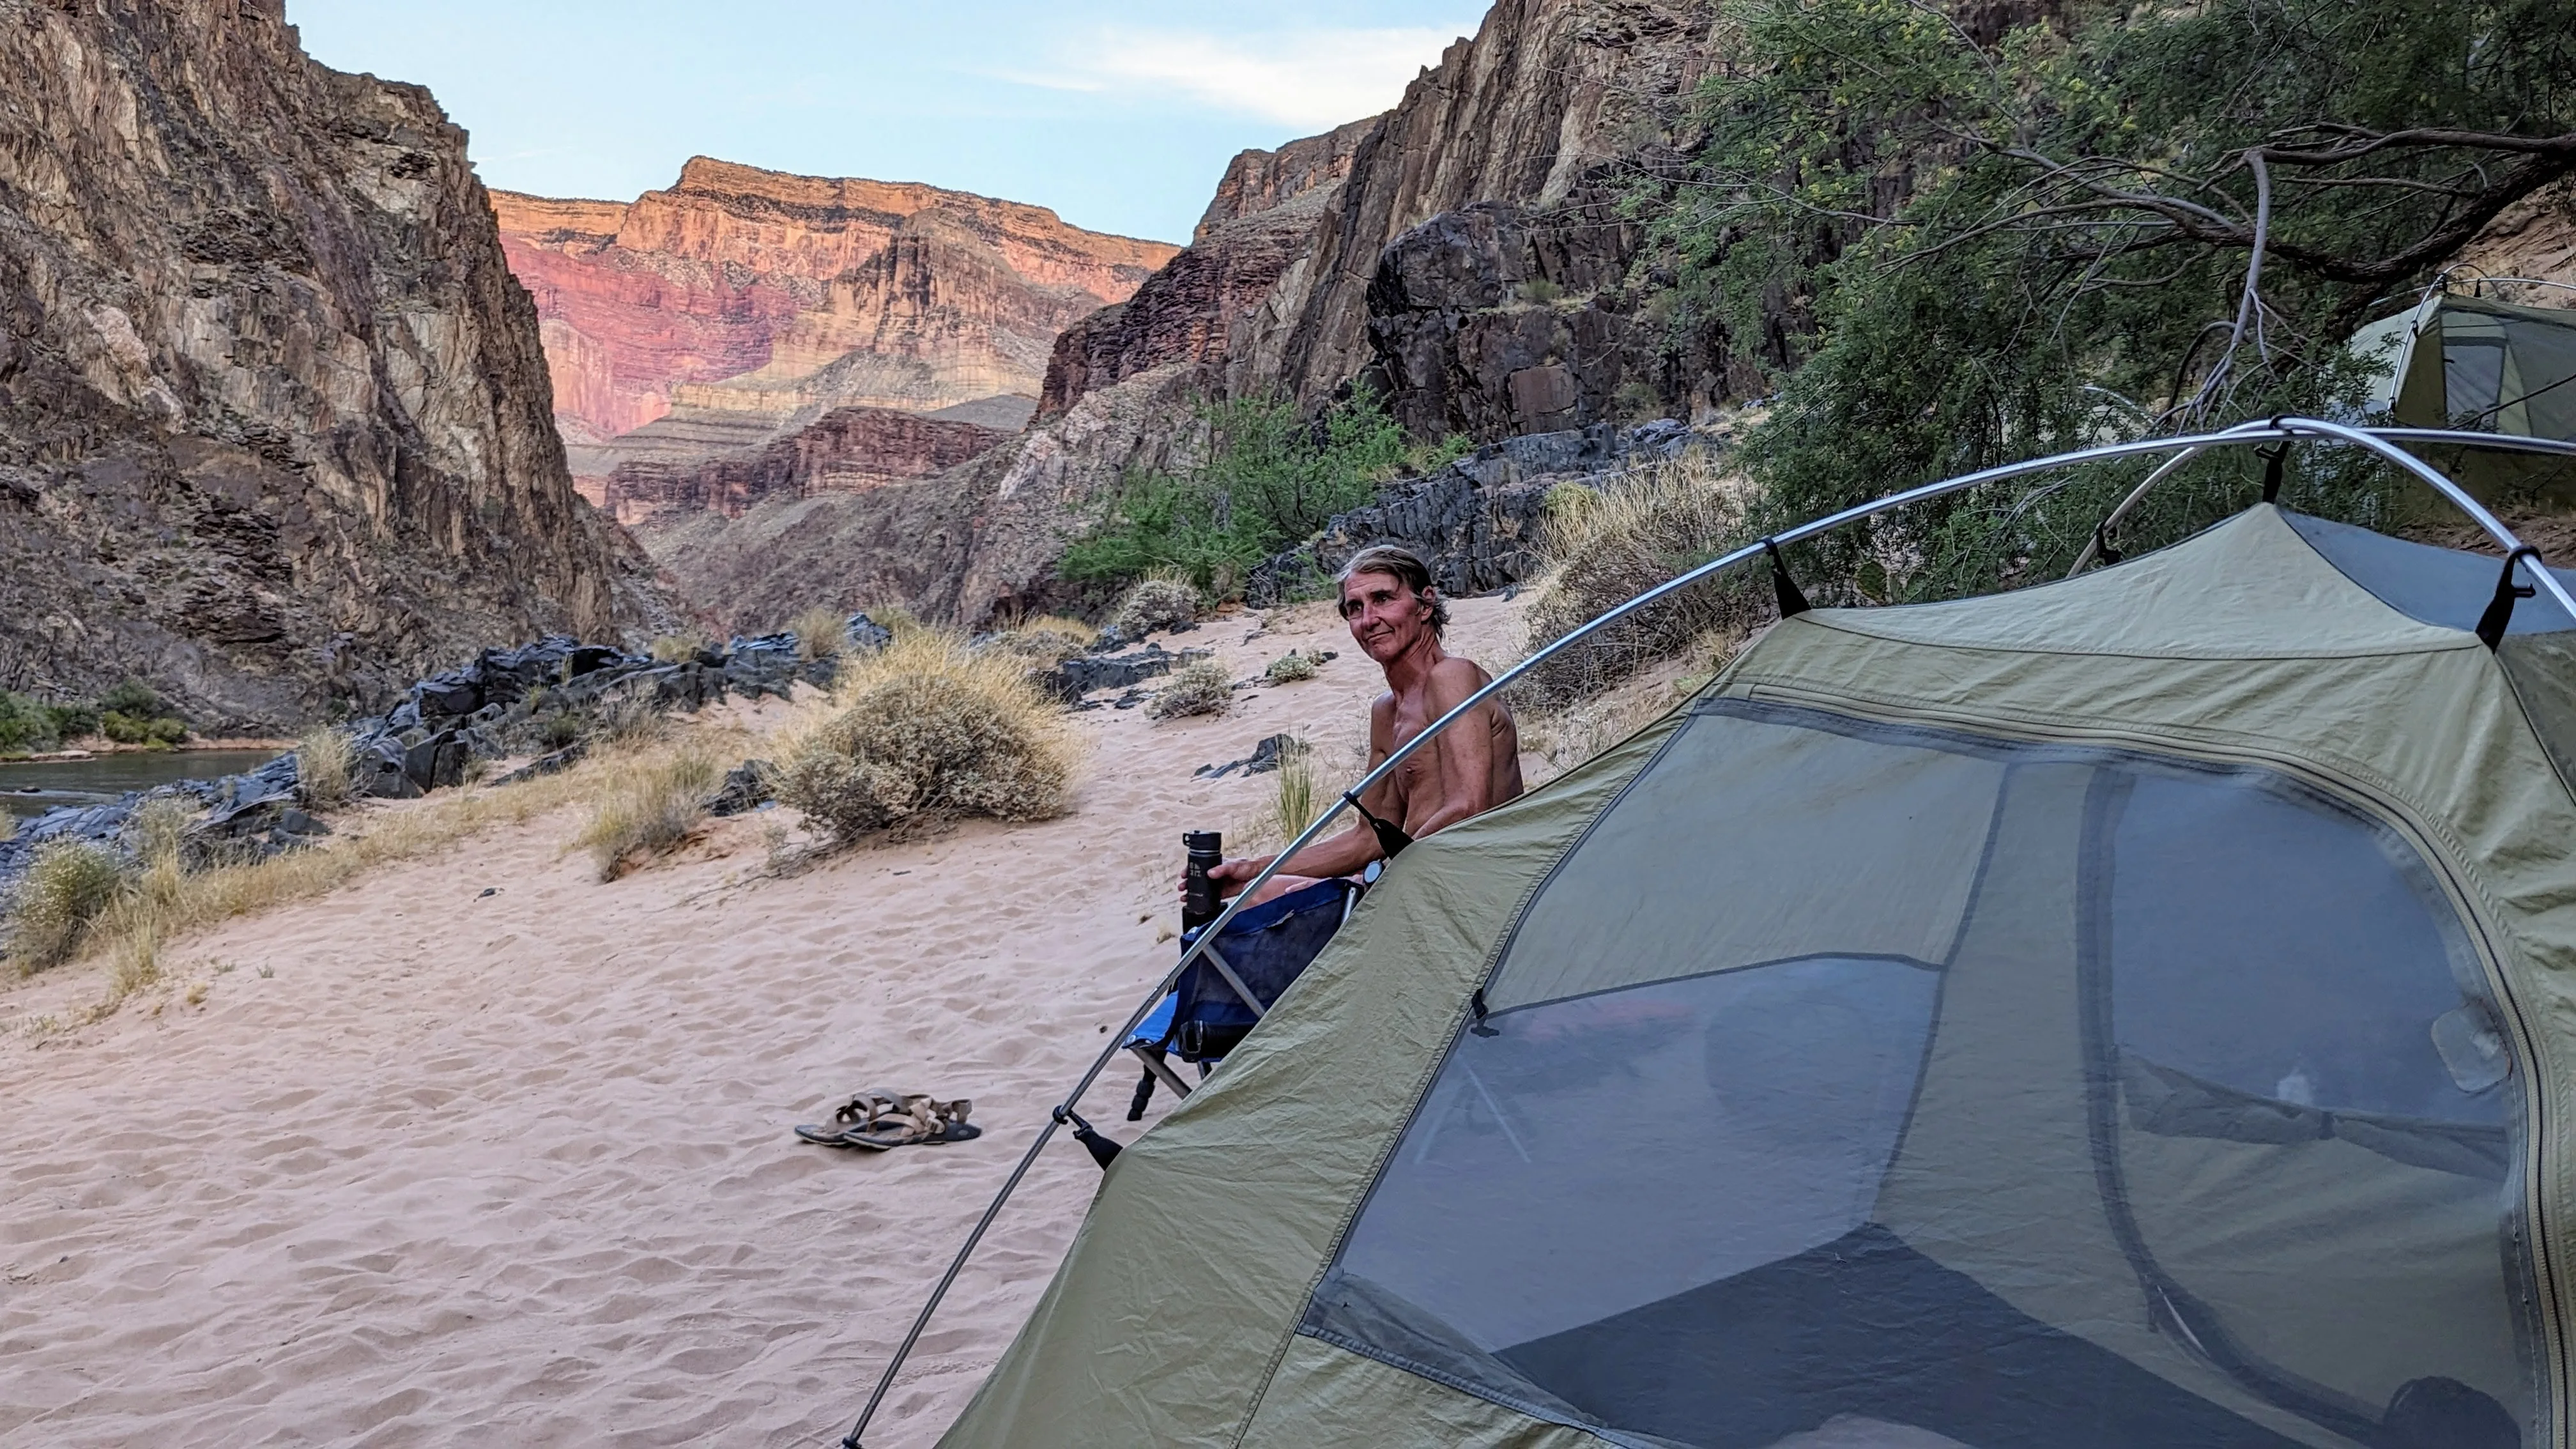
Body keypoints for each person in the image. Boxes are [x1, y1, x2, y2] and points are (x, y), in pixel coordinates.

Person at [1205, 544, 1523, 908]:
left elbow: (1469, 807)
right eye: (1355, 608)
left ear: (1426, 604)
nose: (1368, 619)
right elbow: (1367, 839)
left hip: (1473, 883)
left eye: (1383, 598)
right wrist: (1257, 869)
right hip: (1415, 878)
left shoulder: (1452, 677)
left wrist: (1374, 880)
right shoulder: (1387, 712)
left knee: (1269, 906)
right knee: (1255, 895)